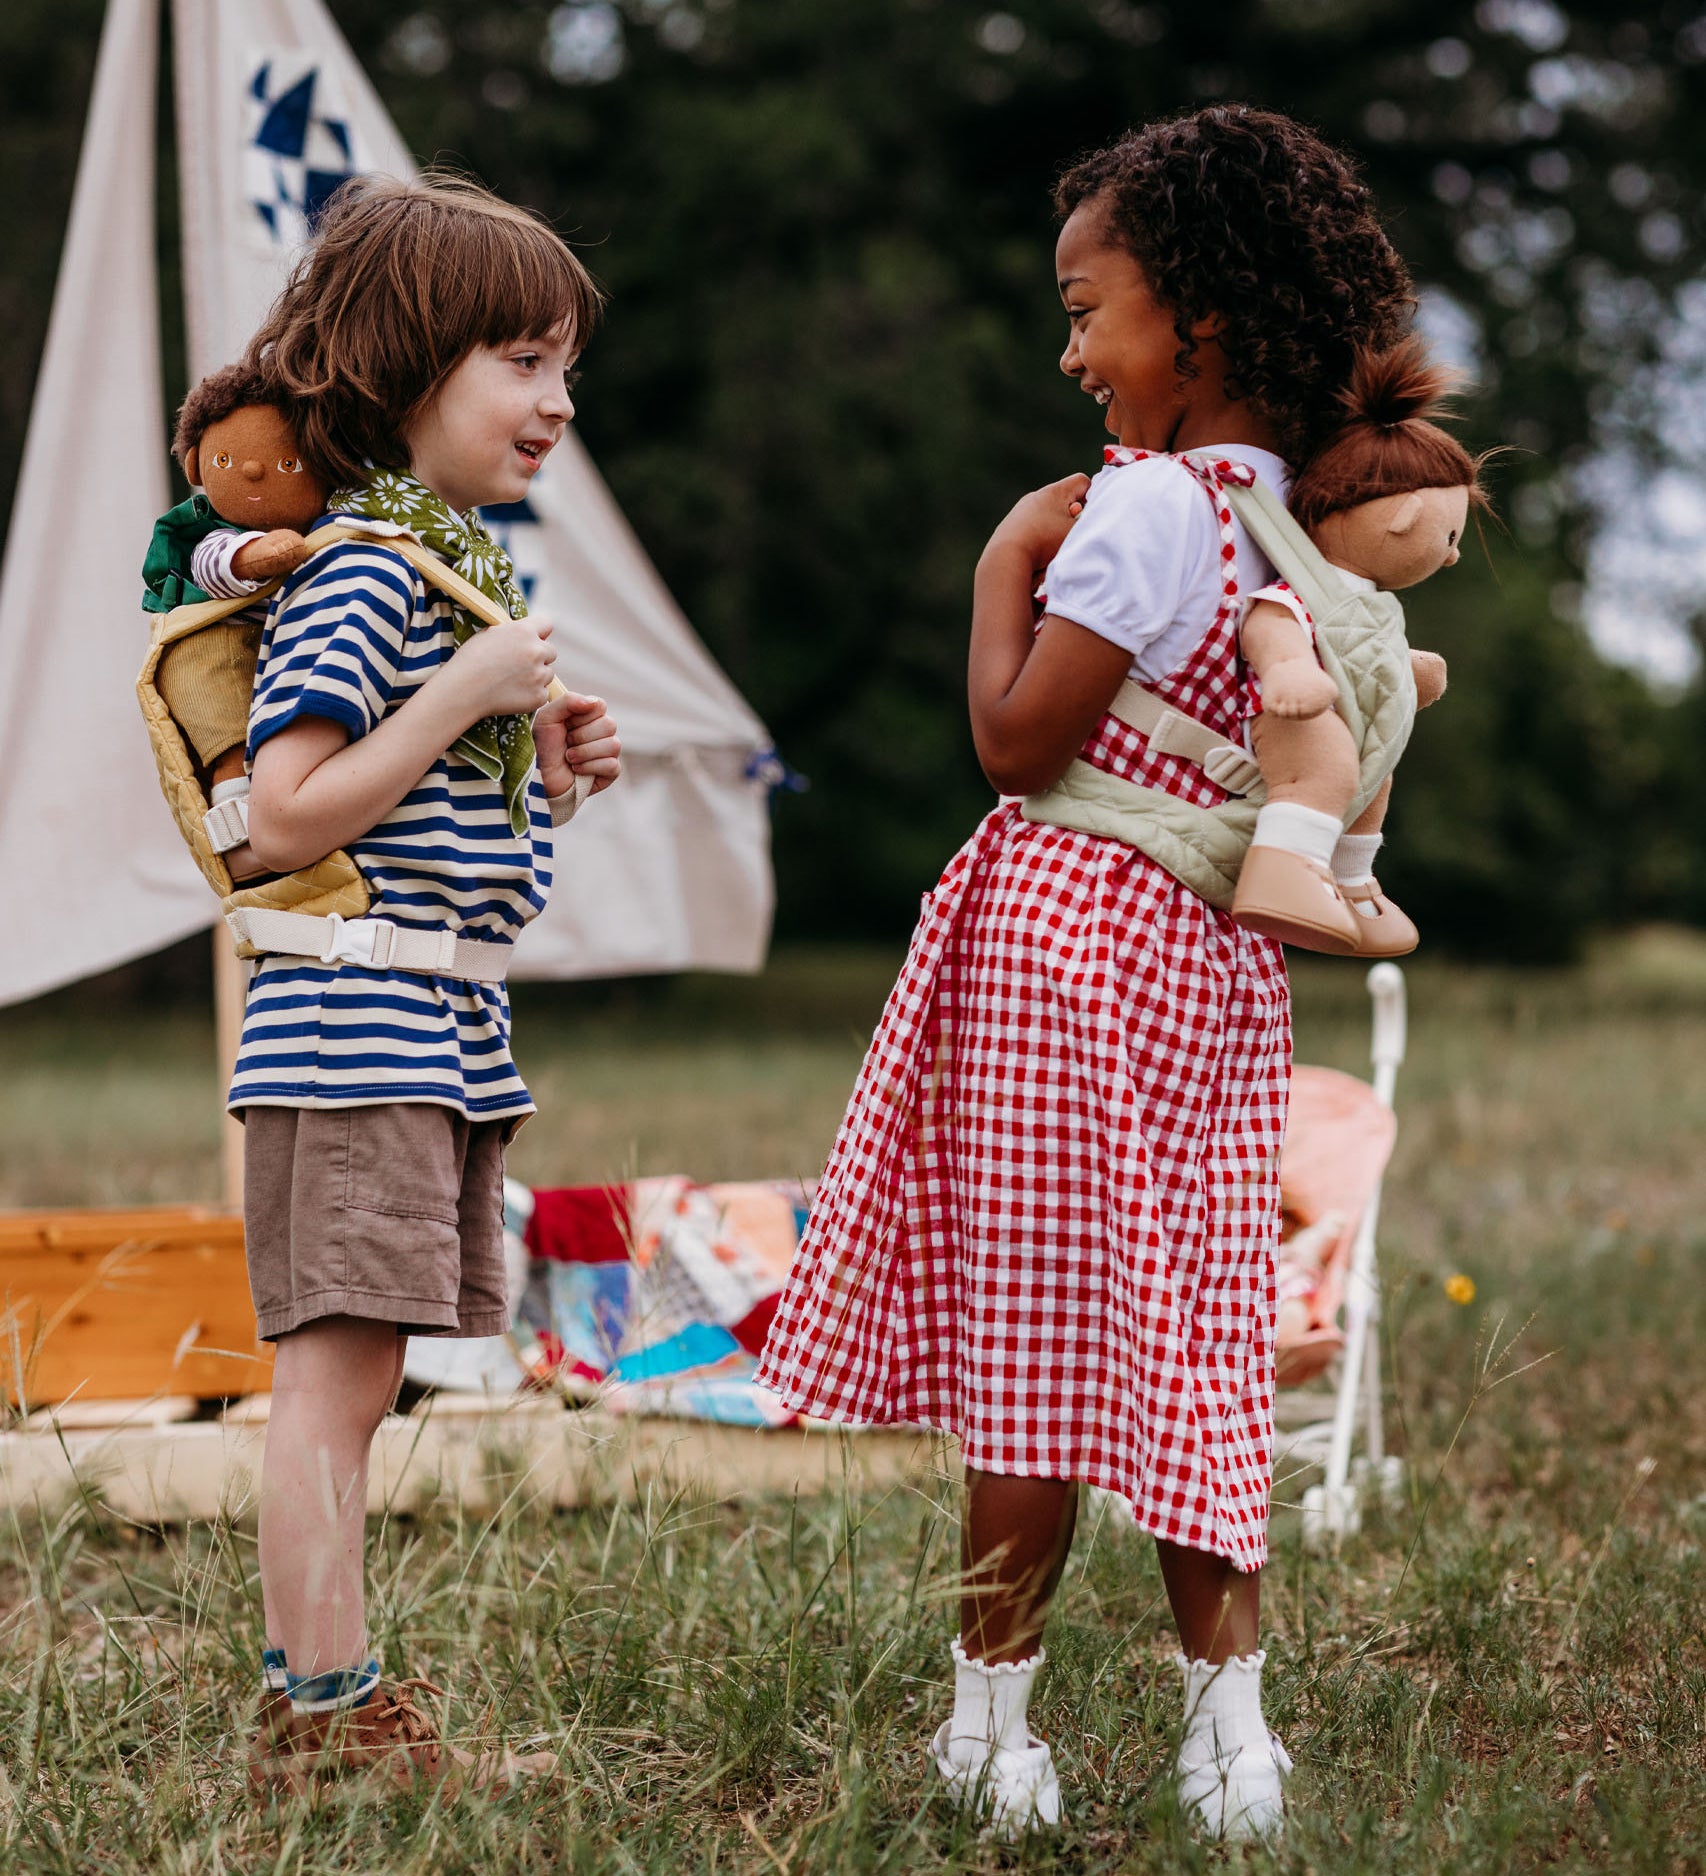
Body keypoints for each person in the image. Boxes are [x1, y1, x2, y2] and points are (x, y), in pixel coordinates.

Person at [754, 105, 1415, 1841]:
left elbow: (1017, 741)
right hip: (1209, 964)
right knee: (1200, 1327)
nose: (1068, 350)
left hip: (1062, 943)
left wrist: (997, 567)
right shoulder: (1302, 529)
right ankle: (1230, 1740)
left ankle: (994, 1725)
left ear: (1190, 318)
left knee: (1032, 1338)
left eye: (1085, 307)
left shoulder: (1134, 511)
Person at [228, 173, 621, 1794]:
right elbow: (284, 817)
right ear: (407, 368)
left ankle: (330, 1689)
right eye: (522, 360)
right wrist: (464, 685)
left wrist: (541, 750)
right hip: (351, 1024)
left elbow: (427, 809)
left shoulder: (440, 566)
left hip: (430, 1022)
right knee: (332, 1379)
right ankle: (324, 1713)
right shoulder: (369, 572)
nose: (556, 401)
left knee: (365, 1375)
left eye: (563, 368)